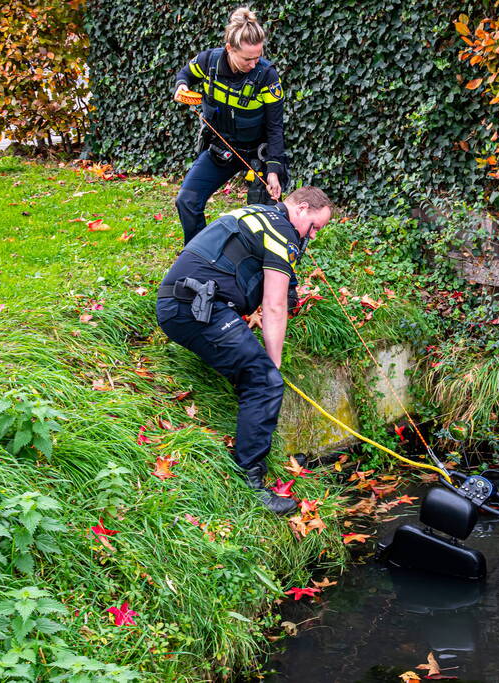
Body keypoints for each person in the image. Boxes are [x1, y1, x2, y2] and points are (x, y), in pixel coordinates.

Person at [156, 186, 333, 515]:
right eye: (315, 227)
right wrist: (273, 364)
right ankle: (250, 482)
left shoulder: (258, 214)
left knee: (255, 371)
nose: (313, 235)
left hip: (185, 302)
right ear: (303, 208)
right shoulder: (283, 231)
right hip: (196, 310)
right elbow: (275, 305)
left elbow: (268, 277)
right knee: (264, 381)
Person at [173, 7, 288, 245]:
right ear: (229, 49)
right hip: (220, 149)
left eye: (258, 57)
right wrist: (182, 86)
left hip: (258, 154)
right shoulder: (208, 61)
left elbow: (276, 127)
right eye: (248, 58)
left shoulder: (267, 76)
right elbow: (185, 73)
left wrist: (274, 170)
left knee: (262, 221)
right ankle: (199, 255)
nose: (254, 64)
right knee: (187, 200)